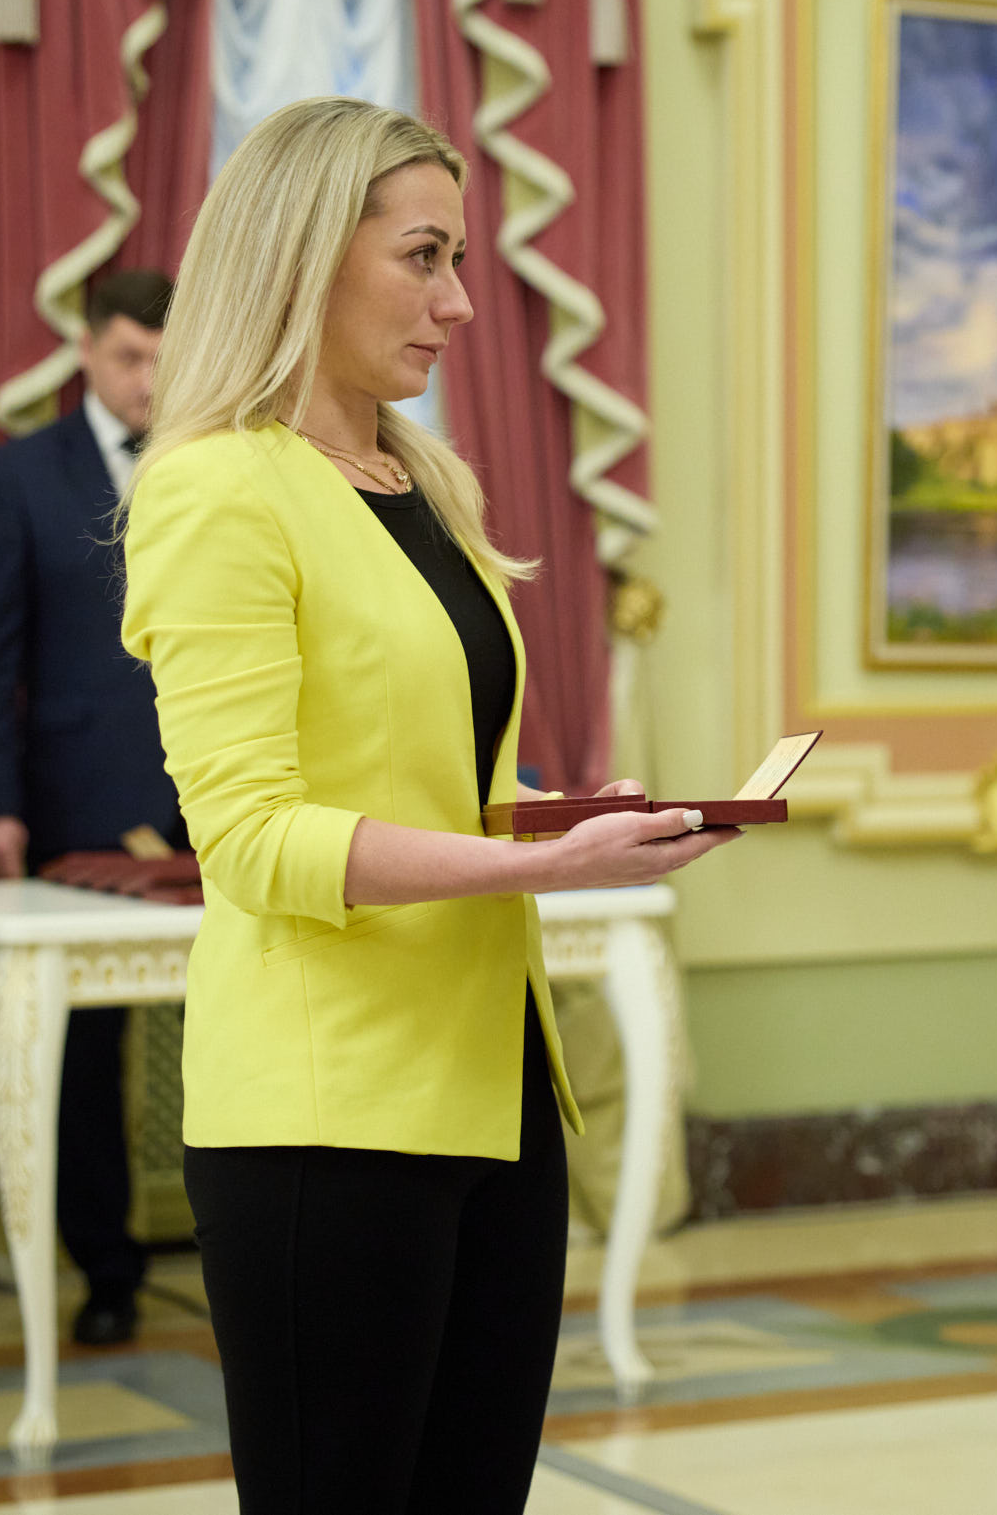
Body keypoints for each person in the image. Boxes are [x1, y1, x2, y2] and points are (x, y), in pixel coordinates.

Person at [119, 96, 741, 1512]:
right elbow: (251, 838)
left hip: (494, 1091)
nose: (459, 301)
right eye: (424, 256)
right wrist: (543, 869)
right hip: (328, 1113)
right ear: (302, 252)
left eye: (458, 259)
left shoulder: (425, 481)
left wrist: (564, 817)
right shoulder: (216, 491)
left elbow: (437, 775)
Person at [0, 268, 185, 1347]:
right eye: (132, 357)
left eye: (167, 360)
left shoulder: (221, 457)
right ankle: (106, 1267)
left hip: (223, 792)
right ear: (87, 351)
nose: (149, 381)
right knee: (86, 1058)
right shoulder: (21, 474)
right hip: (80, 801)